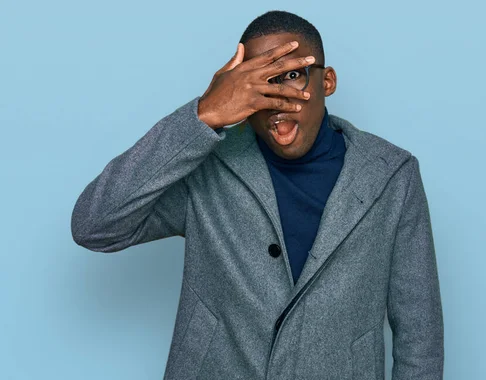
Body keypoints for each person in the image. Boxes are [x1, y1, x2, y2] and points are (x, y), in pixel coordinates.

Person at [71, 10, 444, 380]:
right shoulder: (207, 167)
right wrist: (202, 116)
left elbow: (419, 335)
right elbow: (94, 225)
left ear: (326, 81)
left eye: (293, 76)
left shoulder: (392, 174)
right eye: (260, 83)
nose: (276, 97)